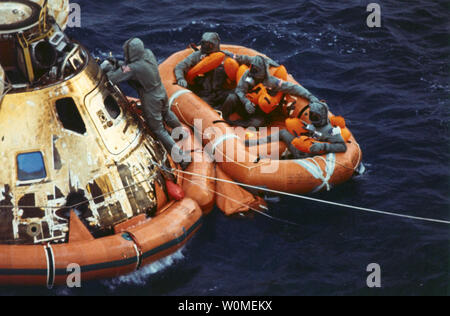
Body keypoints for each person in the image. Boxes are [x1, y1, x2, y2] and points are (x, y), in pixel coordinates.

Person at [101, 38, 190, 168]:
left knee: (158, 130)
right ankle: (180, 133)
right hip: (161, 91)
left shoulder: (134, 67)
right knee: (166, 113)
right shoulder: (148, 54)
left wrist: (108, 68)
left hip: (151, 98)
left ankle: (181, 158)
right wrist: (118, 63)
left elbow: (113, 78)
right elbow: (129, 68)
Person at [222, 55, 322, 128]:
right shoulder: (247, 74)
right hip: (245, 104)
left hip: (258, 111)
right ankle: (224, 119)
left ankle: (240, 124)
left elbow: (293, 88)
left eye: (256, 70)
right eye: (253, 68)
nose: (253, 72)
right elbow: (239, 90)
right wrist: (246, 102)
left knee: (258, 123)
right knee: (231, 97)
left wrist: (310, 96)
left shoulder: (272, 82)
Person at [246, 101, 347, 158]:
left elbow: (342, 147)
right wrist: (308, 128)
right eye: (311, 114)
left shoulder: (331, 131)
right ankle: (257, 142)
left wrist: (322, 146)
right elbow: (315, 133)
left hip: (308, 156)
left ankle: (275, 160)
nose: (312, 117)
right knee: (283, 133)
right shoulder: (315, 124)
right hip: (300, 147)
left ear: (323, 116)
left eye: (315, 116)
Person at [174, 32, 233, 108]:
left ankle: (224, 117)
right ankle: (206, 118)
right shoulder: (196, 56)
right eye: (204, 43)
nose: (206, 46)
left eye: (209, 44)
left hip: (220, 92)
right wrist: (180, 78)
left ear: (215, 44)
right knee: (198, 109)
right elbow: (180, 66)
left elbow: (241, 62)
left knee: (234, 97)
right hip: (204, 95)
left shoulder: (226, 56)